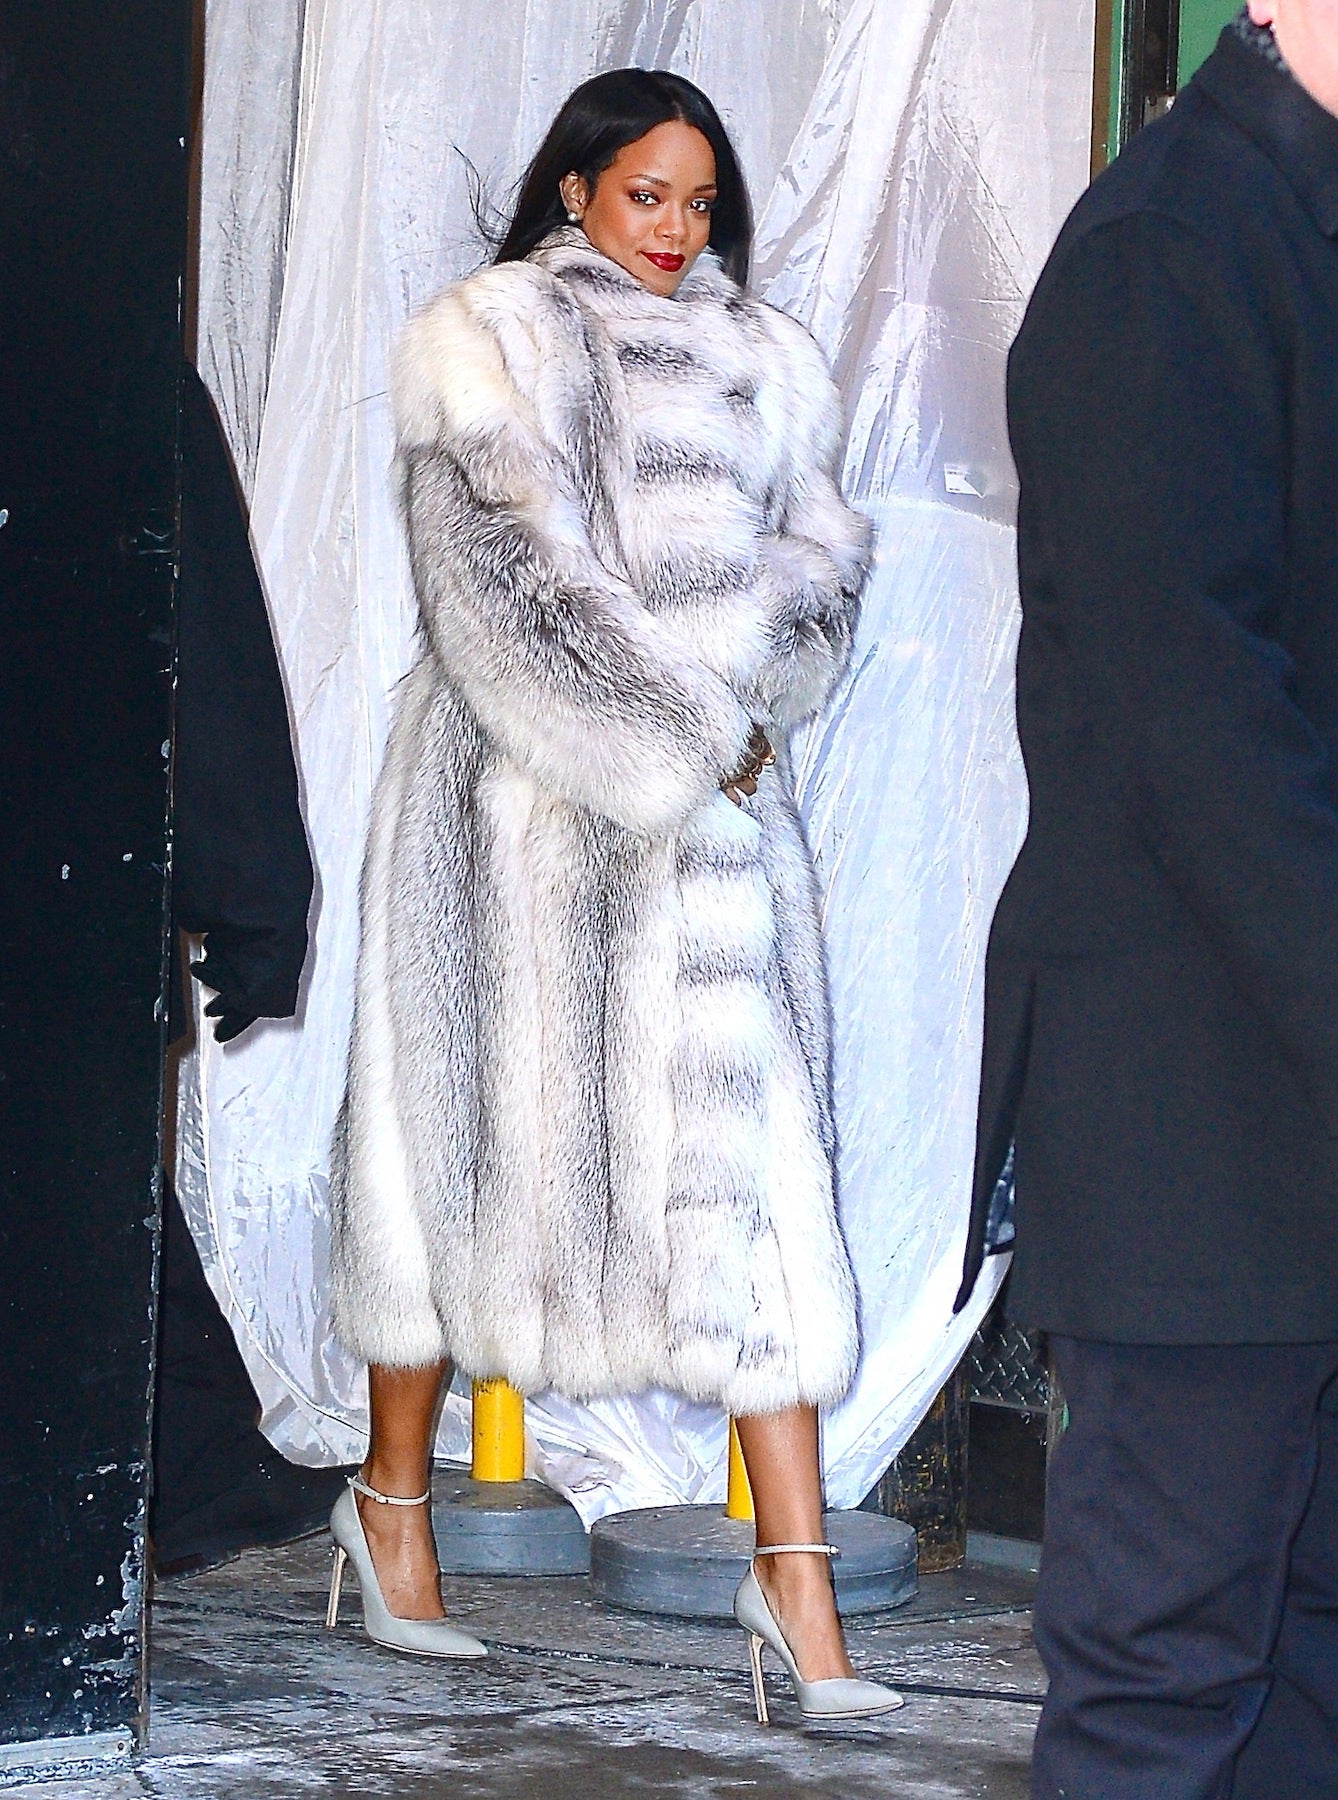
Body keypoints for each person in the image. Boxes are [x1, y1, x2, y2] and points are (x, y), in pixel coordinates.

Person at [328, 68, 900, 1720]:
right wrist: (685, 730)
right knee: (443, 1174)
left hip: (710, 840)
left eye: (698, 201)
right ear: (575, 185)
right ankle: (389, 1507)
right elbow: (496, 592)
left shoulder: (764, 360)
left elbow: (827, 564)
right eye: (646, 193)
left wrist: (739, 688)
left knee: (762, 1197)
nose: (673, 229)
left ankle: (796, 1586)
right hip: (509, 817)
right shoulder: (482, 340)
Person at [957, 6, 1338, 1795]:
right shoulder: (1165, 247)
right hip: (1194, 1104)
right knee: (1163, 1679)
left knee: (1309, 1657)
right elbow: (1198, 728)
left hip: (1292, 1082)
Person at [149, 362, 343, 1575]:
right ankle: (196, 1469)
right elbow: (201, 636)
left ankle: (196, 1464)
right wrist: (255, 895)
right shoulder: (95, 343)